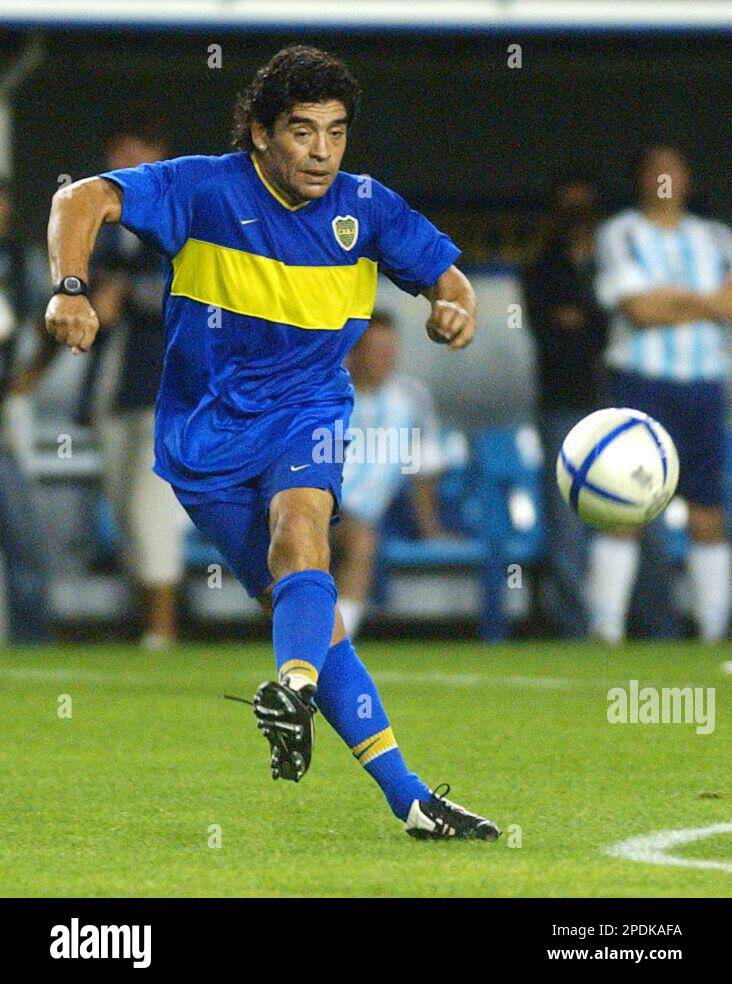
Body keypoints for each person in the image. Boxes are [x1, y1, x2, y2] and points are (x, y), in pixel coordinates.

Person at [44, 46, 500, 840]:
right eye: (301, 132)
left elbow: (447, 277)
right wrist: (71, 288)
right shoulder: (200, 188)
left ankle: (290, 687)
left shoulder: (369, 208)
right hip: (202, 438)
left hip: (307, 409)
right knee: (316, 624)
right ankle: (410, 799)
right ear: (260, 134)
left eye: (335, 132)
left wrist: (455, 307)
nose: (322, 151)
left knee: (304, 532)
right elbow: (80, 200)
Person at [591, 145, 732, 643]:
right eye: (654, 168)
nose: (665, 177)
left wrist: (671, 297)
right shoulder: (619, 232)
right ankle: (605, 630)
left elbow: (726, 305)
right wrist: (707, 303)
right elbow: (638, 311)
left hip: (704, 386)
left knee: (708, 510)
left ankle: (713, 631)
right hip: (641, 384)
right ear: (640, 178)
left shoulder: (717, 237)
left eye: (674, 167)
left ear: (688, 177)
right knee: (624, 505)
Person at [79, 131, 189, 649]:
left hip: (165, 388)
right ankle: (145, 621)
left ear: (159, 157)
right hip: (111, 386)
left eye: (135, 154)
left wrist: (126, 294)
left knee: (152, 508)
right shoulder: (100, 228)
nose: (123, 164)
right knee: (124, 508)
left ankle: (161, 631)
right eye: (117, 154)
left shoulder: (180, 218)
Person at [522, 178, 608, 637]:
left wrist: (588, 318)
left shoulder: (612, 261)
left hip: (615, 403)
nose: (578, 215)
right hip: (562, 407)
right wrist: (597, 319)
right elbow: (553, 335)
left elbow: (602, 326)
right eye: (568, 206)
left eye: (585, 206)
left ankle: (653, 626)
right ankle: (577, 629)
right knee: (568, 524)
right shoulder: (543, 268)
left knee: (638, 514)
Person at [334, 309, 451, 639]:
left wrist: (429, 527)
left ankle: (337, 642)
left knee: (362, 539)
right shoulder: (328, 394)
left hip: (382, 515)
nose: (387, 358)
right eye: (376, 349)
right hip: (324, 505)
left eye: (391, 349)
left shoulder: (412, 399)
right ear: (353, 352)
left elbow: (423, 469)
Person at [0, 182, 54, 643]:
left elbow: (53, 322)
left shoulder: (22, 262)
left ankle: (33, 640)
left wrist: (31, 375)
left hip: (4, 425)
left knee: (23, 541)